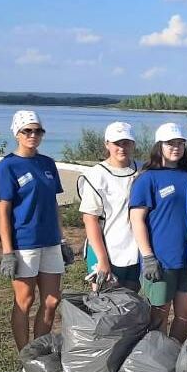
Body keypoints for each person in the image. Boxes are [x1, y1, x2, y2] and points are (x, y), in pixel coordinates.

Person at [0, 110, 67, 351]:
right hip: (24, 243)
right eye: (27, 131)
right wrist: (7, 251)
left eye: (38, 131)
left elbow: (53, 203)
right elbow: (3, 210)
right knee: (25, 300)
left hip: (50, 241)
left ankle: (39, 350)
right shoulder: (7, 167)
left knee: (52, 300)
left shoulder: (47, 163)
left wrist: (62, 238)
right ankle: (24, 354)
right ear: (17, 133)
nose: (33, 135)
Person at [129, 123, 187, 341]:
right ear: (159, 146)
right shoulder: (148, 178)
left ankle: (174, 356)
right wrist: (148, 256)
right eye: (170, 143)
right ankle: (154, 363)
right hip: (161, 259)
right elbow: (137, 219)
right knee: (159, 315)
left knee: (185, 314)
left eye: (180, 143)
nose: (175, 147)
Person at [77, 122, 139, 291]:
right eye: (116, 143)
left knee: (130, 303)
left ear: (133, 144)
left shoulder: (142, 171)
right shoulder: (96, 176)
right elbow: (90, 220)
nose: (121, 148)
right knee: (107, 304)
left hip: (134, 249)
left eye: (126, 143)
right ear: (107, 144)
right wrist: (102, 259)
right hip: (106, 248)